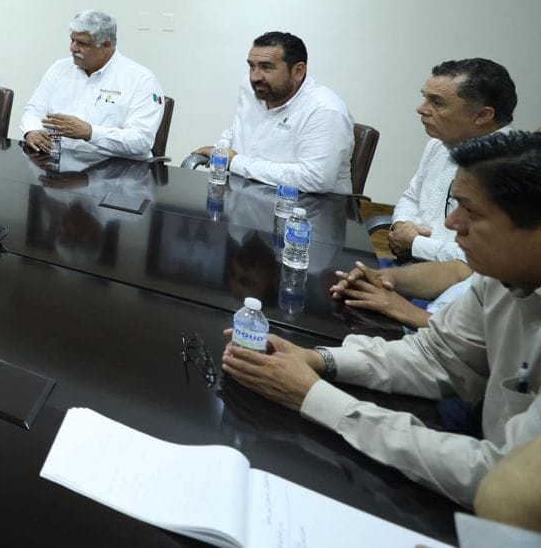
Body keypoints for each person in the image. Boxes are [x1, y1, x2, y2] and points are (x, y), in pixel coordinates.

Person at [221, 130, 541, 508]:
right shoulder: (497, 278)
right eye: (456, 205)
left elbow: (495, 475)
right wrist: (321, 360)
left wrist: (315, 398)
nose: (453, 223)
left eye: (471, 211)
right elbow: (435, 356)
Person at [190, 31, 353, 194]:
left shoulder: (325, 110)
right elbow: (240, 130)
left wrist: (233, 161)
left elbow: (315, 179)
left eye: (266, 67)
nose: (255, 77)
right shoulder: (253, 87)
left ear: (298, 71)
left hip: (306, 205)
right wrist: (221, 149)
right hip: (247, 195)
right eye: (252, 66)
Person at [387, 58, 515, 261]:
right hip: (413, 265)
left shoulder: (512, 168)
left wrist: (415, 243)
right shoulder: (439, 144)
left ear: (482, 115)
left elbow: (480, 259)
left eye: (436, 102)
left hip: (455, 279)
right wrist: (402, 225)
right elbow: (411, 198)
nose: (421, 108)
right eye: (425, 98)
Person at [21, 10, 165, 160]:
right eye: (72, 40)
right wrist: (32, 130)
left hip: (115, 168)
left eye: (82, 43)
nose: (73, 48)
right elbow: (34, 109)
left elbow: (141, 141)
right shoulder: (59, 69)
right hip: (57, 161)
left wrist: (90, 133)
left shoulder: (141, 80)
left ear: (106, 46)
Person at [330, 258, 475, 331]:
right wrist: (389, 278)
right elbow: (459, 271)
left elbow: (473, 341)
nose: (450, 222)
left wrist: (403, 309)